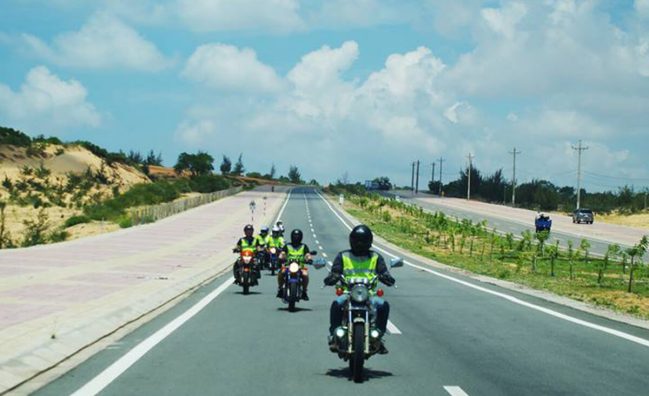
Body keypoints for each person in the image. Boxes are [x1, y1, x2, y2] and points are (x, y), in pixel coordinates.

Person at [324, 224, 395, 353]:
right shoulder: (343, 256)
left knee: (384, 305)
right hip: (348, 293)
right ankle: (334, 335)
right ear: (352, 240)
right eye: (357, 240)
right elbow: (335, 270)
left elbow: (384, 271)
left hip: (370, 295)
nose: (360, 244)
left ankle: (379, 335)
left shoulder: (376, 257)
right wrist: (332, 277)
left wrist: (387, 277)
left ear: (369, 241)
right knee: (336, 304)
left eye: (363, 241)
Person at [277, 229, 312, 300]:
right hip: (288, 266)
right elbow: (283, 253)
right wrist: (281, 257)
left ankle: (304, 291)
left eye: (298, 236)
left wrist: (309, 259)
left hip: (300, 266)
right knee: (281, 272)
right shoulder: (287, 246)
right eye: (295, 236)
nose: (296, 237)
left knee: (305, 274)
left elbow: (307, 254)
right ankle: (280, 288)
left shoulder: (304, 246)